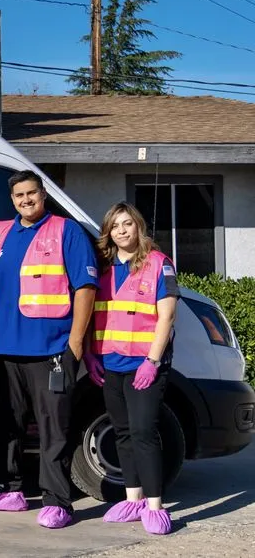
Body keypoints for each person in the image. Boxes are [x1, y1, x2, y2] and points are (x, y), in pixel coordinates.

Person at [0, 170, 97, 529]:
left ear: (43, 194)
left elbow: (86, 288)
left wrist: (75, 343)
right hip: (0, 347)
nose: (25, 200)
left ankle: (58, 501)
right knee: (5, 424)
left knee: (53, 428)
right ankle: (8, 490)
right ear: (12, 200)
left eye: (31, 193)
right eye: (19, 195)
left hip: (50, 348)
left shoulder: (66, 231)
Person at [85, 202, 177, 535]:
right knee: (122, 433)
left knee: (143, 433)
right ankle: (132, 500)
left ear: (138, 226)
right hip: (110, 364)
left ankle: (155, 506)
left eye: (127, 224)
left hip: (144, 366)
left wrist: (152, 361)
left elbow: (167, 316)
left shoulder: (159, 264)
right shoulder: (103, 268)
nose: (122, 231)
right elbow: (94, 315)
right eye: (115, 226)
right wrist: (91, 354)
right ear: (107, 232)